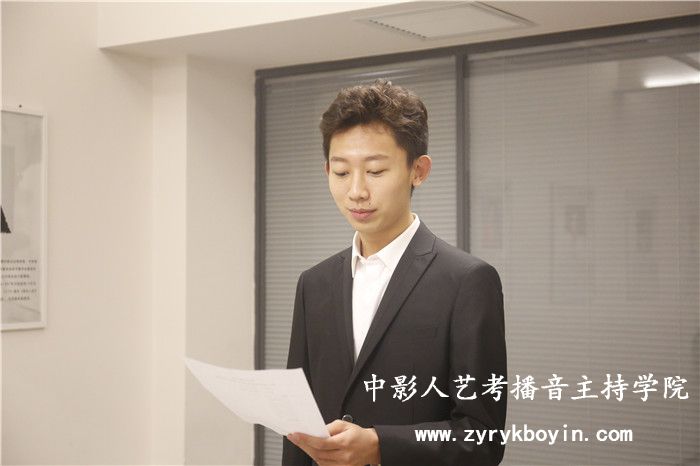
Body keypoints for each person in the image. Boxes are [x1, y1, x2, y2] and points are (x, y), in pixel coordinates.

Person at [282, 79, 507, 466]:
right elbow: (299, 425)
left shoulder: (467, 281)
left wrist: (379, 445)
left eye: (375, 171)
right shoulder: (313, 284)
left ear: (418, 170)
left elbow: (482, 438)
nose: (356, 191)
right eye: (341, 173)